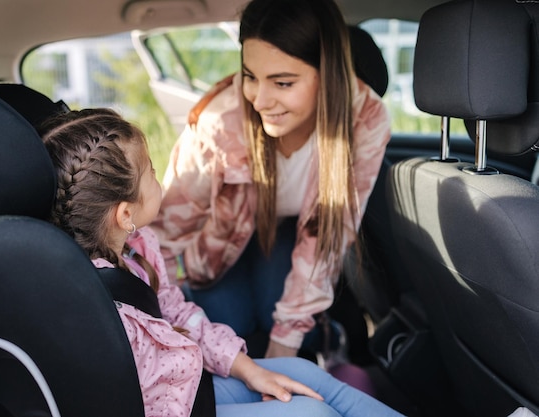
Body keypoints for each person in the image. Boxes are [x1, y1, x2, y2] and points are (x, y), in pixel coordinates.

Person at [39, 108, 404, 417]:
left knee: (309, 376)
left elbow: (177, 314)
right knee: (313, 411)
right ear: (124, 213)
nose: (157, 174)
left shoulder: (139, 249)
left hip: (191, 384)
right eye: (150, 170)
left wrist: (248, 370)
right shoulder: (95, 305)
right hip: (169, 408)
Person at [150, 0, 391, 359]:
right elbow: (163, 235)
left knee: (291, 331)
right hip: (216, 246)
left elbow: (330, 232)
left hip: (293, 232)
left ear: (328, 75)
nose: (260, 100)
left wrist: (283, 355)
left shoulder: (366, 117)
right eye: (250, 76)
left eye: (282, 82)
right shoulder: (220, 121)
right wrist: (165, 322)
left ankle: (329, 338)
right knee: (230, 325)